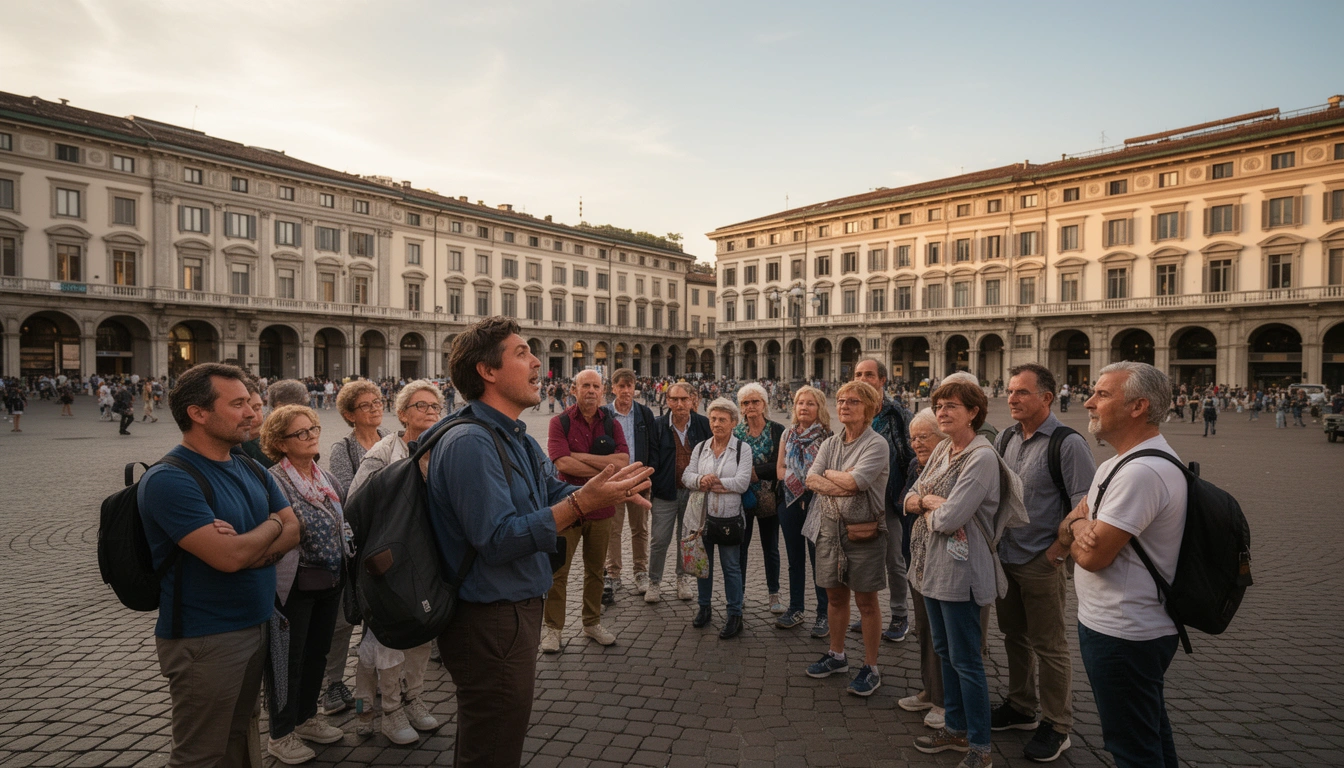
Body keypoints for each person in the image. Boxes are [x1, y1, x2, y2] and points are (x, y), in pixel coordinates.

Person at [427, 317, 651, 767]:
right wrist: (582, 503)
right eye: (522, 353)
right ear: (487, 371)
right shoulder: (471, 441)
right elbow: (496, 538)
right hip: (490, 618)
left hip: (512, 611)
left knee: (496, 736)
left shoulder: (513, 435)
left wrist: (604, 491)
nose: (537, 362)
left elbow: (551, 490)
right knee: (492, 745)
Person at [138, 363, 301, 767]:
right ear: (198, 413)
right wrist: (271, 525)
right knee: (200, 754)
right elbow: (230, 556)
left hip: (256, 624)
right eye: (238, 404)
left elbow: (294, 529)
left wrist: (249, 546)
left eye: (250, 402)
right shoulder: (170, 479)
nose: (252, 413)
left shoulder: (249, 465)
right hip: (205, 638)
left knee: (239, 736)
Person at [1059, 362, 1186, 768]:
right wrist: (1078, 526)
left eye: (1102, 394)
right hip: (1118, 625)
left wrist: (1076, 525)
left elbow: (1092, 556)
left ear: (1138, 406)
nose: (1088, 402)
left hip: (1125, 631)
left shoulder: (1141, 472)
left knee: (1132, 748)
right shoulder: (1116, 464)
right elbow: (1071, 527)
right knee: (1149, 733)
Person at [992, 364, 1095, 762]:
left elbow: (1084, 506)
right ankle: (1021, 706)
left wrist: (1058, 551)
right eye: (1010, 391)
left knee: (1049, 645)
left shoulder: (1068, 444)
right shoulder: (1005, 438)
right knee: (1014, 635)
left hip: (1041, 559)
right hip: (1006, 556)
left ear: (1047, 398)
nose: (1012, 398)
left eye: (1021, 392)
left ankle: (1057, 724)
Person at [907, 379, 1005, 767]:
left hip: (962, 572)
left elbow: (950, 518)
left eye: (951, 406)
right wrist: (927, 502)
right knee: (945, 652)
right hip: (933, 567)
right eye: (939, 406)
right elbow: (910, 495)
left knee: (966, 660)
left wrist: (926, 506)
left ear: (973, 412)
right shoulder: (944, 448)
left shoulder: (981, 457)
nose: (943, 412)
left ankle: (980, 747)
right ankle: (956, 727)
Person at [345, 381, 445, 744]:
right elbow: (355, 503)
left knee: (422, 631)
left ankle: (413, 698)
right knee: (386, 638)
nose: (430, 411)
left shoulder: (441, 449)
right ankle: (384, 710)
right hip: (389, 562)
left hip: (427, 559)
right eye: (421, 405)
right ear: (402, 414)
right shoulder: (384, 451)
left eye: (435, 406)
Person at [259, 405, 348, 763]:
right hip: (293, 583)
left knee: (317, 654)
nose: (312, 436)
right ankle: (280, 735)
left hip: (329, 578)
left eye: (313, 429)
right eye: (301, 432)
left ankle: (307, 717)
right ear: (280, 443)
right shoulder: (272, 480)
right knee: (287, 660)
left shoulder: (324, 476)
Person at [802, 381, 890, 696]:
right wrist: (841, 479)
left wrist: (833, 476)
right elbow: (811, 479)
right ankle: (837, 654)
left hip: (864, 530)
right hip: (830, 528)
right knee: (835, 597)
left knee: (866, 601)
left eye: (853, 401)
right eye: (840, 400)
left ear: (869, 408)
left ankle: (871, 667)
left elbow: (857, 483)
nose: (844, 406)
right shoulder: (830, 443)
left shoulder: (876, 444)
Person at [544, 368, 629, 651]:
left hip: (602, 508)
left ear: (603, 391)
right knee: (558, 572)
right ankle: (553, 629)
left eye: (595, 386)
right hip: (567, 507)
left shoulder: (612, 424)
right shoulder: (560, 422)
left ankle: (591, 622)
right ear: (574, 390)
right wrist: (603, 467)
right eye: (585, 386)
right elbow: (562, 464)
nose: (591, 391)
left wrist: (578, 456)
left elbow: (623, 462)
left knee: (596, 571)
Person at [896, 408, 954, 728]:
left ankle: (947, 702)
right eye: (913, 438)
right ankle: (930, 690)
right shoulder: (914, 465)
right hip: (917, 556)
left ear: (942, 436)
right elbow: (903, 501)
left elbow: (946, 511)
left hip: (946, 560)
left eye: (923, 436)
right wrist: (920, 502)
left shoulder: (950, 465)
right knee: (923, 628)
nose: (916, 443)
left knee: (944, 634)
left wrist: (917, 502)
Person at [852, 358, 916, 642]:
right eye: (858, 374)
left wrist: (905, 495)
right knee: (865, 559)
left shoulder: (898, 413)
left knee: (894, 560)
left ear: (882, 380)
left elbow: (912, 456)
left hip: (891, 496)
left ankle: (900, 615)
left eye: (869, 374)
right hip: (859, 497)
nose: (862, 379)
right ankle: (869, 613)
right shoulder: (853, 410)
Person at [682, 397, 753, 639]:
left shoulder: (742, 449)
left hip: (728, 517)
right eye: (713, 419)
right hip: (701, 517)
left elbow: (742, 483)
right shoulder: (701, 447)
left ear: (733, 422)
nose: (716, 424)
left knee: (731, 567)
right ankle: (704, 607)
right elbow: (687, 476)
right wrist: (700, 480)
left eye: (722, 419)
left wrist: (714, 483)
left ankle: (735, 614)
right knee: (703, 565)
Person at [774, 386, 832, 633]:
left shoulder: (828, 437)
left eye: (810, 403)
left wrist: (809, 484)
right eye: (800, 403)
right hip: (789, 501)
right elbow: (779, 468)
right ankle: (796, 608)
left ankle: (824, 614)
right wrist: (795, 481)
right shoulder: (787, 434)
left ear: (819, 408)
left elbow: (829, 472)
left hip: (817, 502)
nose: (804, 407)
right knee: (794, 559)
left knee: (819, 560)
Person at [647, 381, 711, 603]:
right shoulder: (657, 426)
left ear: (693, 400)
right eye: (674, 399)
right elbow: (651, 459)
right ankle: (654, 581)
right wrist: (654, 485)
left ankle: (682, 578)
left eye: (684, 399)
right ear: (667, 401)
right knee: (659, 539)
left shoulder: (703, 424)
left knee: (686, 538)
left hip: (693, 493)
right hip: (665, 492)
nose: (679, 404)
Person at [603, 368, 660, 600]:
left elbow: (654, 447)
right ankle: (613, 574)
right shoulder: (604, 414)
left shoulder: (644, 413)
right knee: (613, 530)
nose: (626, 390)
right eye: (621, 386)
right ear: (613, 388)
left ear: (635, 387)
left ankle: (640, 571)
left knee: (640, 529)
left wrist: (648, 475)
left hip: (638, 480)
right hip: (614, 482)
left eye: (630, 386)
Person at [734, 383, 786, 614]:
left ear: (764, 404)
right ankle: (740, 592)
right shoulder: (735, 432)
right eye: (746, 403)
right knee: (740, 547)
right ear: (740, 407)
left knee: (771, 547)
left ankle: (774, 593)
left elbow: (780, 464)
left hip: (769, 498)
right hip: (741, 497)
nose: (751, 406)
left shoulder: (778, 430)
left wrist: (755, 472)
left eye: (755, 401)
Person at [327, 380, 388, 497]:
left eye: (377, 402)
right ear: (350, 416)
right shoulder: (342, 450)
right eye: (365, 405)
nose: (374, 408)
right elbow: (347, 495)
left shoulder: (389, 437)